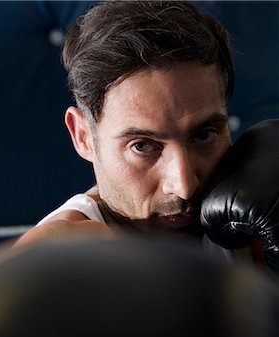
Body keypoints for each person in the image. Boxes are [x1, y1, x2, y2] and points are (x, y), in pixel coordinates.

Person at [15, 0, 278, 274]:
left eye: (203, 135)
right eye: (142, 146)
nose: (184, 185)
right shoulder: (62, 255)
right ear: (83, 137)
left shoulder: (252, 219)